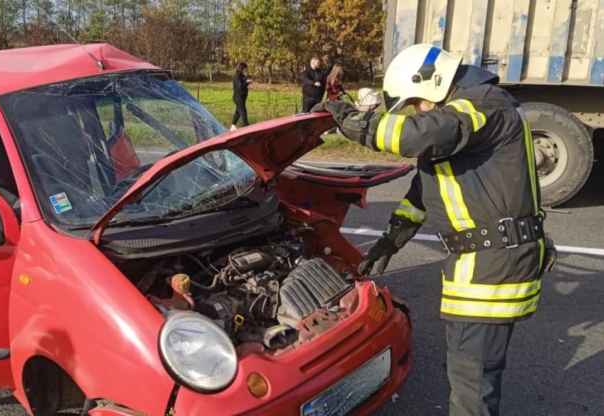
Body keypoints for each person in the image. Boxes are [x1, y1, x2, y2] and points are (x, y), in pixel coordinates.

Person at [312, 44, 556, 416]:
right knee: (475, 374)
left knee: (472, 386)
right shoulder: (465, 124)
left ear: (433, 81)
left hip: (489, 268)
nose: (416, 110)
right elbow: (425, 192)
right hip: (488, 262)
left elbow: (415, 135)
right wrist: (389, 241)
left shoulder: (483, 104)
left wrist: (346, 118)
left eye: (416, 102)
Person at [231, 62, 253, 131]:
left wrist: (247, 83)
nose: (245, 71)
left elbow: (244, 85)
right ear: (241, 68)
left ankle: (233, 125)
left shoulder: (243, 76)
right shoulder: (236, 77)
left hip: (243, 98)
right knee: (243, 113)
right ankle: (247, 127)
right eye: (245, 69)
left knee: (238, 113)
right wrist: (246, 82)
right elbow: (240, 86)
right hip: (238, 98)